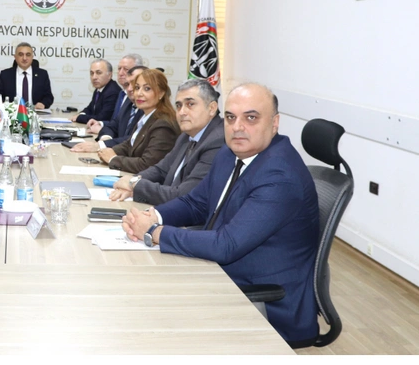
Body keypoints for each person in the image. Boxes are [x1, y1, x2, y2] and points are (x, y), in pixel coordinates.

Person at [122, 83, 319, 345]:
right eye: (230, 117)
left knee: (149, 319)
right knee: (136, 289)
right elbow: (196, 203)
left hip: (264, 305)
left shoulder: (280, 175)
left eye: (251, 118)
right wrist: (153, 216)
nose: (238, 127)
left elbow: (226, 245)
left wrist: (154, 232)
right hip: (219, 274)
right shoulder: (230, 153)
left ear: (274, 123)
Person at [110, 79, 225, 204]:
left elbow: (183, 195)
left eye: (190, 104)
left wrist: (134, 184)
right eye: (179, 105)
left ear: (212, 108)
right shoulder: (186, 135)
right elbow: (161, 170)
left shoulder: (217, 141)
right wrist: (132, 182)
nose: (182, 112)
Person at [96, 68, 179, 173]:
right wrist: (108, 151)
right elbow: (130, 145)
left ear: (161, 93)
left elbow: (148, 165)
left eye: (147, 89)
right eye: (137, 88)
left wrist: (113, 159)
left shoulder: (163, 124)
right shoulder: (146, 116)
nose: (139, 93)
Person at [70, 65, 145, 152]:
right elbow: (112, 126)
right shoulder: (128, 103)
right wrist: (105, 138)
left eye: (135, 84)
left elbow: (135, 139)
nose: (129, 89)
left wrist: (101, 145)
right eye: (127, 84)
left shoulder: (149, 110)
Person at [85, 54, 142, 136]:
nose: (121, 73)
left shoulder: (136, 99)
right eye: (119, 69)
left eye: (126, 69)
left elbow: (131, 135)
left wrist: (103, 134)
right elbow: (117, 123)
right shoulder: (122, 94)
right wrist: (101, 123)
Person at [0, 42, 54, 109]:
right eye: (21, 54)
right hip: (13, 113)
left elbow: (49, 97)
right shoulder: (5, 75)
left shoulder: (42, 74)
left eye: (28, 55)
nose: (24, 58)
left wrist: (43, 104)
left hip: (36, 113)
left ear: (32, 57)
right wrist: (5, 105)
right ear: (15, 57)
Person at [70, 59, 121, 124]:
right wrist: (81, 114)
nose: (94, 77)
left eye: (99, 73)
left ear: (109, 75)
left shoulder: (112, 92)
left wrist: (79, 117)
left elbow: (102, 118)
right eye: (92, 73)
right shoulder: (99, 88)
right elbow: (90, 109)